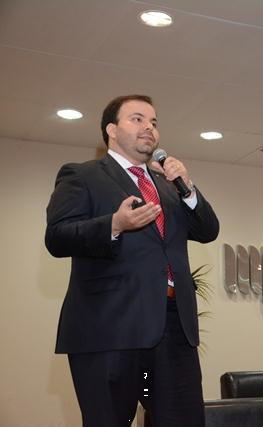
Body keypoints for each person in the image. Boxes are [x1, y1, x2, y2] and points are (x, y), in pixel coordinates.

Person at [45, 94, 219, 427]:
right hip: (108, 327)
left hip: (173, 326)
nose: (149, 128)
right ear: (111, 129)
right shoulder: (82, 175)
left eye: (153, 122)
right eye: (137, 119)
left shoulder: (168, 186)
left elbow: (208, 230)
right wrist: (114, 224)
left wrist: (187, 187)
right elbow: (57, 236)